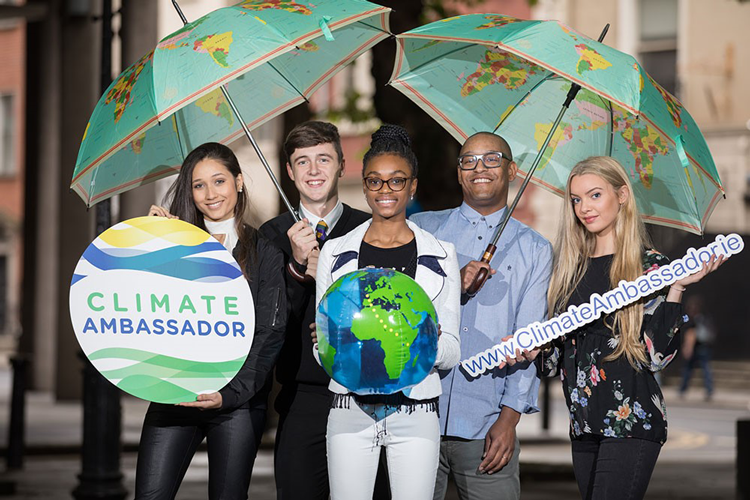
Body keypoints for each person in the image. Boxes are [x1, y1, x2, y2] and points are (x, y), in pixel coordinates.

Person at [538, 156, 723, 500]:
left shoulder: (650, 266)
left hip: (631, 422)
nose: (583, 208)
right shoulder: (567, 269)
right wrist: (533, 347)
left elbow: (658, 357)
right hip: (582, 424)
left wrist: (676, 290)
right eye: (576, 199)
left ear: (621, 195)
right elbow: (550, 365)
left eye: (595, 195)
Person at [314, 124, 461, 499]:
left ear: (413, 186)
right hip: (349, 407)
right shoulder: (334, 252)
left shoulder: (443, 254)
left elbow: (452, 352)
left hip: (417, 409)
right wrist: (326, 344)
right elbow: (321, 349)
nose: (385, 190)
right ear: (363, 186)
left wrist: (426, 342)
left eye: (397, 181)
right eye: (375, 181)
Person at [135, 142, 287, 500]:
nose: (209, 194)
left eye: (218, 181)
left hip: (236, 402)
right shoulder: (172, 243)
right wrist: (149, 248)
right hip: (174, 393)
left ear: (238, 182)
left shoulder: (264, 251)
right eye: (198, 185)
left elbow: (271, 332)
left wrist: (229, 395)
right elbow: (142, 311)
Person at [410, 132, 552, 500]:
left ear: (511, 169)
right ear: (459, 174)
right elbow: (401, 313)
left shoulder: (535, 249)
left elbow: (529, 337)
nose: (480, 168)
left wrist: (510, 419)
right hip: (416, 413)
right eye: (469, 161)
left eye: (492, 159)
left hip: (486, 421)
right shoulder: (423, 230)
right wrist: (453, 285)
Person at [258, 121, 374, 500]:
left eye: (323, 159)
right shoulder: (271, 235)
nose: (313, 171)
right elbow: (268, 323)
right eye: (302, 162)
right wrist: (295, 269)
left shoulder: (370, 228)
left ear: (342, 164)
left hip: (365, 394)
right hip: (300, 395)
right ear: (289, 172)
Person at [679, 295, 715, 400]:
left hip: (697, 346)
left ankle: (683, 389)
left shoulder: (691, 319)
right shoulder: (704, 317)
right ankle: (709, 390)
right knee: (705, 368)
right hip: (704, 346)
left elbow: (691, 334)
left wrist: (687, 347)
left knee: (688, 369)